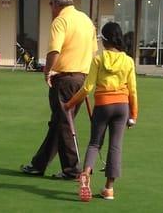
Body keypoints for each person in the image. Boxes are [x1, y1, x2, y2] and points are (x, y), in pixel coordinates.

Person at [21, 0, 97, 180]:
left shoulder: (61, 20)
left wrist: (47, 72)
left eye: (50, 5)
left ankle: (71, 169)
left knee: (63, 124)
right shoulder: (86, 20)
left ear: (55, 4)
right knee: (58, 122)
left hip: (64, 79)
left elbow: (54, 50)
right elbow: (94, 52)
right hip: (82, 77)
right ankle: (39, 164)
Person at [64, 22, 138, 201]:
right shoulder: (128, 61)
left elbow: (87, 88)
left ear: (104, 40)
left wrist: (69, 104)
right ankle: (109, 189)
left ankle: (85, 174)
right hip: (122, 107)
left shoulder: (98, 59)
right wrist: (133, 115)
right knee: (115, 146)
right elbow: (133, 90)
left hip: (103, 105)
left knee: (95, 143)